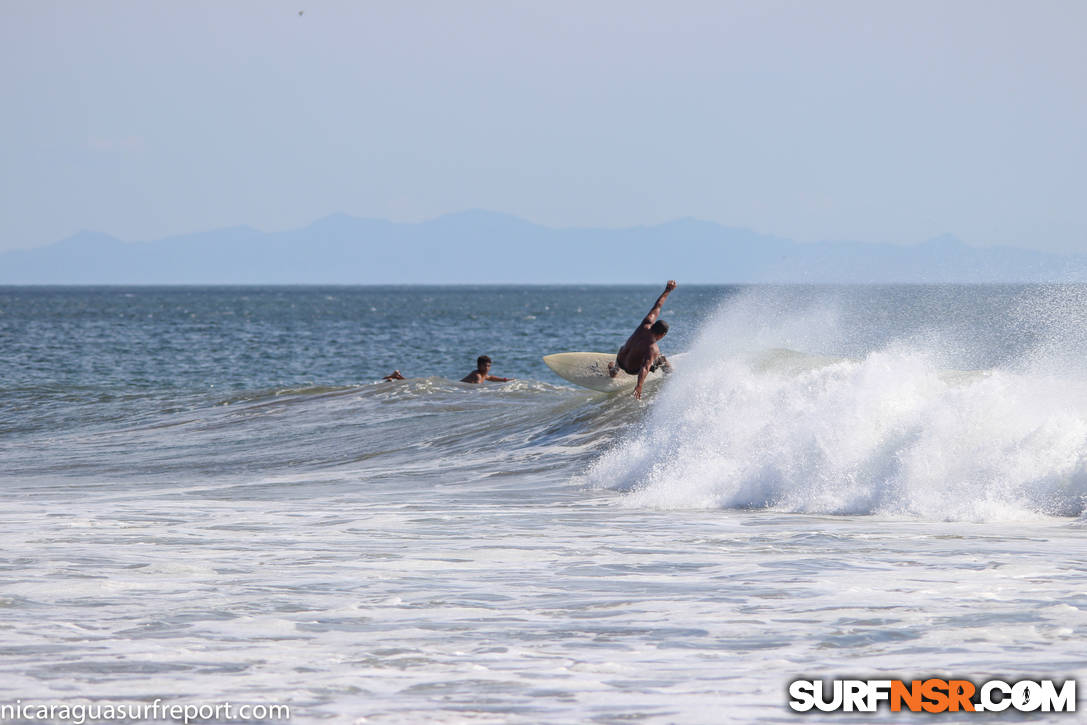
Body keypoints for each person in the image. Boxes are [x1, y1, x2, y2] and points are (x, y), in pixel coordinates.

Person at [608, 280, 676, 399]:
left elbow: (658, 306)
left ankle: (614, 370)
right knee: (661, 358)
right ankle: (672, 378)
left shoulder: (646, 323)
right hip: (631, 370)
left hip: (620, 359)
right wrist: (639, 386)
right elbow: (645, 368)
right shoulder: (653, 348)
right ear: (662, 334)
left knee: (623, 348)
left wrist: (667, 291)